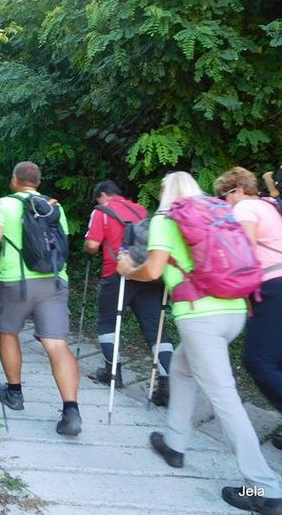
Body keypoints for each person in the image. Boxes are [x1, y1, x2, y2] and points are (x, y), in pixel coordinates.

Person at [117, 171, 282, 515]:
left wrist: (128, 270)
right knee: (181, 368)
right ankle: (174, 444)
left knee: (225, 399)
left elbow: (152, 271)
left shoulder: (166, 219)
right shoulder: (218, 214)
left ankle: (265, 488)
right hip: (234, 311)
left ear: (166, 192)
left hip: (200, 318)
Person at [0, 161, 81, 436]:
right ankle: (71, 411)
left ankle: (14, 393)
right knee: (57, 345)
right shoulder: (54, 207)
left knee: (8, 332)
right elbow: (61, 244)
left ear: (14, 179)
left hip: (16, 282)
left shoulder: (4, 204)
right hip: (54, 281)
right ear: (38, 182)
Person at [83, 180, 173, 405]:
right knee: (155, 328)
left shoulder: (101, 211)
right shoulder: (140, 209)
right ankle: (167, 383)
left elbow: (92, 245)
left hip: (117, 274)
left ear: (102, 195)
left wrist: (88, 248)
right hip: (147, 274)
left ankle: (112, 372)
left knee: (107, 323)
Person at [214, 167, 282, 453]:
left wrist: (235, 291)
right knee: (276, 359)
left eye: (224, 196)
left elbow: (245, 253)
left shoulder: (246, 208)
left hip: (273, 285)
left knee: (258, 360)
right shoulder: (270, 205)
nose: (224, 202)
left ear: (238, 190)